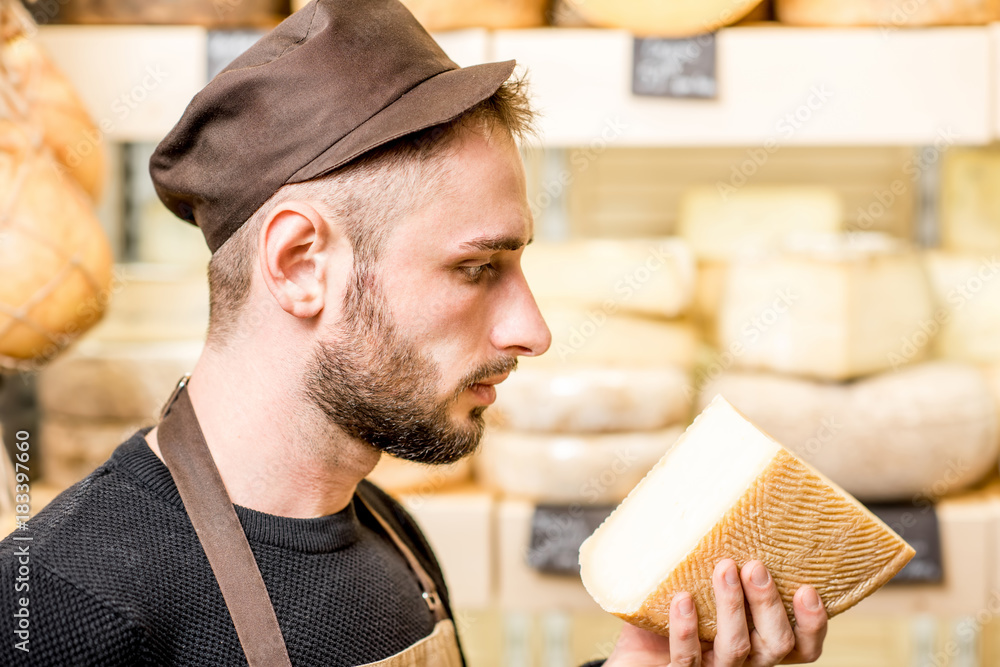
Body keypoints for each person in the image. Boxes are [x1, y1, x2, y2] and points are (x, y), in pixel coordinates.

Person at [0, 0, 828, 664]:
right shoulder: (67, 607)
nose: (533, 330)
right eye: (477, 268)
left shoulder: (389, 529)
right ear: (298, 264)